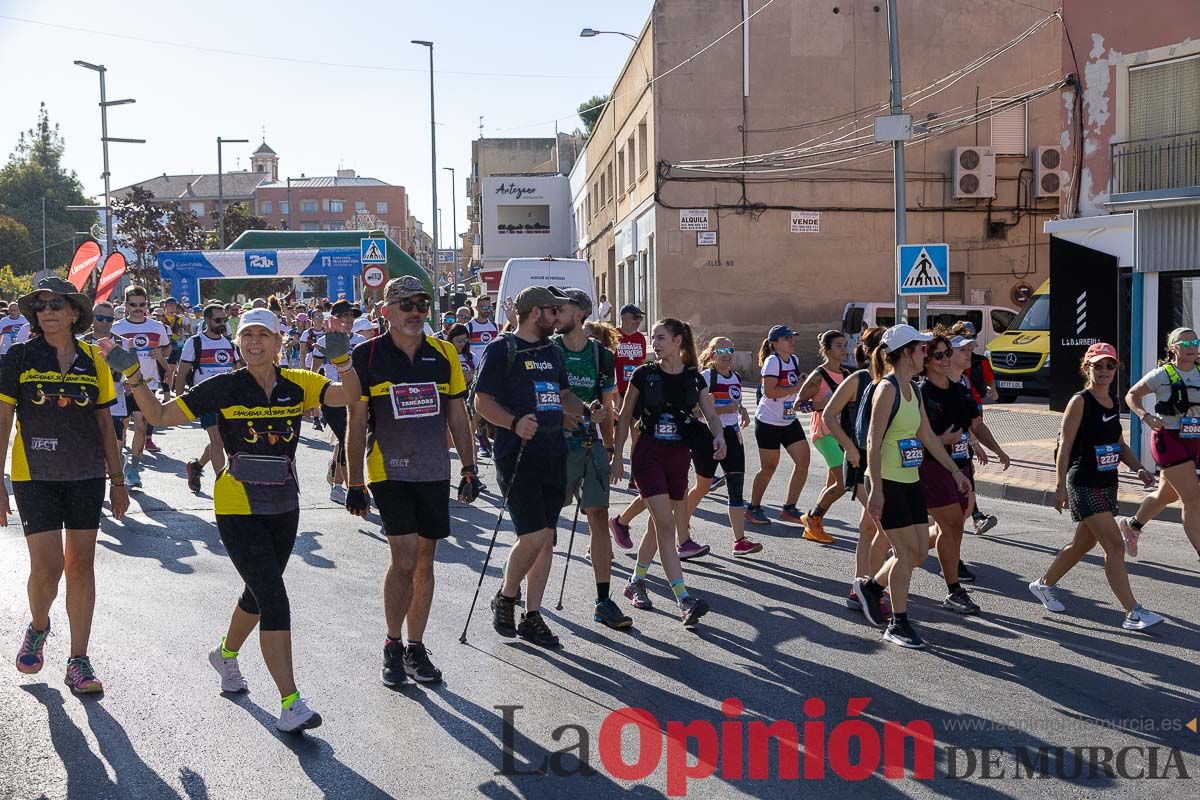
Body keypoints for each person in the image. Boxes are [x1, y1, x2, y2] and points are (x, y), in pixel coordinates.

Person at [101, 307, 361, 732]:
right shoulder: (222, 387)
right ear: (238, 344)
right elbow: (162, 416)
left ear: (280, 343)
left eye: (264, 334)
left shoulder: (300, 384)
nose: (255, 341)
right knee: (274, 598)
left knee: (259, 594)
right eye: (247, 335)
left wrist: (344, 362)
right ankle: (291, 702)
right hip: (236, 505)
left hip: (284, 504)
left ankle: (224, 655)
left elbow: (349, 396)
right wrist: (132, 374)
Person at [343, 276, 480, 686]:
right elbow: (356, 421)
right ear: (385, 311)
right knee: (403, 558)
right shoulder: (366, 356)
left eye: (422, 304)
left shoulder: (443, 354)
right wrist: (354, 482)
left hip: (433, 469)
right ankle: (391, 644)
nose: (416, 312)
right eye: (406, 305)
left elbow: (458, 415)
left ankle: (415, 648)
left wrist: (469, 468)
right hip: (389, 470)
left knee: (425, 560)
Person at [2, 277, 128, 694]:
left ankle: (79, 660)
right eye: (40, 305)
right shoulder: (18, 356)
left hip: (86, 473)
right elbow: (3, 421)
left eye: (57, 303)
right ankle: (39, 626)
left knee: (80, 565)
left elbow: (105, 422)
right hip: (33, 473)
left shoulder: (94, 359)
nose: (48, 310)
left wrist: (119, 479)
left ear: (75, 312)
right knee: (48, 568)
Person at [474, 286, 587, 648]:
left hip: (554, 451)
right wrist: (513, 423)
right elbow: (482, 402)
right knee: (533, 535)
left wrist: (584, 411)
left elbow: (564, 393)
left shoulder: (552, 352)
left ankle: (532, 615)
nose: (559, 318)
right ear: (536, 312)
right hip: (518, 454)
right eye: (554, 311)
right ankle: (506, 596)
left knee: (547, 540)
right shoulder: (502, 349)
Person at [1028, 343, 1163, 630]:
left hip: (1106, 482)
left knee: (1082, 544)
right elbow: (1063, 447)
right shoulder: (1080, 401)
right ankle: (1133, 613)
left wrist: (1139, 468)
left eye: (1109, 366)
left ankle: (1043, 584)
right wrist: (1059, 486)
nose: (1104, 371)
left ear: (1116, 369)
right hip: (1083, 481)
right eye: (1097, 365)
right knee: (1114, 546)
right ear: (1086, 367)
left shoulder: (1112, 401)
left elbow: (1119, 443)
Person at [854, 324, 971, 650]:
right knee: (906, 553)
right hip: (886, 482)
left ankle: (871, 589)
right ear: (906, 353)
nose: (926, 353)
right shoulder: (887, 389)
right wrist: (875, 488)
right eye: (921, 349)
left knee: (919, 551)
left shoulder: (913, 389)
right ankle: (898, 622)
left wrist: (954, 472)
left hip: (909, 480)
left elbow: (928, 438)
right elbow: (872, 442)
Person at [612, 318, 726, 627]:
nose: (655, 343)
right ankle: (683, 598)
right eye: (653, 338)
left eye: (661, 337)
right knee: (667, 525)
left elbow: (711, 415)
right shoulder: (644, 374)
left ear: (678, 341)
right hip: (648, 454)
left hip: (678, 456)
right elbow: (623, 418)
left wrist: (719, 436)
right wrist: (618, 457)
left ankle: (636, 581)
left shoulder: (694, 378)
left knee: (656, 524)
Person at [551, 289, 631, 629]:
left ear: (580, 313)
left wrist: (613, 451)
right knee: (543, 523)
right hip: (553, 446)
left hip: (591, 446)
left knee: (598, 517)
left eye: (562, 307)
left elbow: (608, 406)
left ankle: (603, 600)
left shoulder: (600, 355)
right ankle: (526, 598)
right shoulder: (548, 350)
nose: (555, 312)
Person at [920, 331, 1009, 614]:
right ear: (926, 360)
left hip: (961, 465)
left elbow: (976, 425)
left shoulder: (959, 388)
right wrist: (940, 441)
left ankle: (895, 561)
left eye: (948, 353)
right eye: (940, 355)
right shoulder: (921, 394)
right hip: (933, 468)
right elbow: (913, 435)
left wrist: (998, 449)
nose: (946, 359)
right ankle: (954, 590)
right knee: (952, 526)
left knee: (955, 524)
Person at [820, 327, 891, 612]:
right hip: (860, 463)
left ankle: (858, 586)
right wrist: (848, 448)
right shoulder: (858, 379)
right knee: (884, 527)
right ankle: (872, 588)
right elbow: (828, 415)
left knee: (867, 527)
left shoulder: (892, 381)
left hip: (886, 464)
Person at [1121, 327, 1200, 561]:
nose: (1192, 348)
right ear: (1173, 347)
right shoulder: (1161, 374)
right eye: (1185, 344)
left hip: (1194, 438)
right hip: (1168, 439)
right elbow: (1131, 395)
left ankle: (1132, 526)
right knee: (1193, 498)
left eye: (1195, 343)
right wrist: (1145, 416)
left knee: (1166, 495)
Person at [684, 336, 758, 556]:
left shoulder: (735, 377)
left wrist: (741, 410)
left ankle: (740, 541)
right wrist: (727, 410)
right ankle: (681, 526)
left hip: (732, 435)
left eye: (730, 350)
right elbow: (696, 411)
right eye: (721, 350)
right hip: (708, 435)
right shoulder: (706, 376)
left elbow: (734, 402)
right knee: (703, 486)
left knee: (736, 486)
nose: (726, 355)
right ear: (712, 354)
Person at [746, 325, 812, 528]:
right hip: (768, 422)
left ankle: (789, 508)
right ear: (774, 343)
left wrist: (803, 396)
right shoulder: (772, 361)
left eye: (792, 337)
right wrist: (797, 387)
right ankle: (753, 508)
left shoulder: (794, 359)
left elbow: (793, 389)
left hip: (789, 419)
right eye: (786, 338)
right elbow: (770, 392)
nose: (791, 341)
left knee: (803, 460)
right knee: (769, 467)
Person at [793, 330, 851, 543]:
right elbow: (797, 405)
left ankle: (814, 524)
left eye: (845, 344)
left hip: (841, 433)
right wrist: (822, 404)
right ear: (826, 350)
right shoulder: (818, 376)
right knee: (844, 481)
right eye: (839, 345)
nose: (844, 349)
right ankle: (812, 518)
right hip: (824, 433)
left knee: (833, 485)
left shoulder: (846, 375)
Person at [178, 304, 241, 493]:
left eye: (224, 320)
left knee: (220, 439)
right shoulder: (195, 343)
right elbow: (181, 374)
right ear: (207, 321)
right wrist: (179, 404)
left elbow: (237, 372)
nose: (222, 323)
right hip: (205, 398)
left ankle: (196, 466)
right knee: (217, 439)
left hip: (229, 399)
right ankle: (222, 485)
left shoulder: (230, 344)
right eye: (218, 320)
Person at [111, 285, 170, 488]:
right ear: (126, 305)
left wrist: (160, 353)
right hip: (122, 386)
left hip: (147, 384)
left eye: (142, 305)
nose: (138, 308)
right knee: (122, 427)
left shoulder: (156, 326)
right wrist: (119, 378)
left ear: (147, 305)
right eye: (133, 305)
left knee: (141, 426)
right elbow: (107, 357)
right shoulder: (116, 328)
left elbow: (167, 346)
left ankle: (134, 469)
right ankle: (118, 464)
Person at [312, 300, 368, 504]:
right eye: (344, 316)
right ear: (334, 319)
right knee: (347, 437)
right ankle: (343, 487)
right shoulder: (324, 341)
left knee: (344, 440)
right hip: (331, 397)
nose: (349, 319)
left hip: (356, 396)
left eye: (352, 316)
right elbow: (313, 372)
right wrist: (312, 404)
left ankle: (338, 479)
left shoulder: (361, 340)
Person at [953, 322, 1000, 534]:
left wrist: (998, 452)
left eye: (970, 347)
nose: (968, 353)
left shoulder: (966, 377)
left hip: (966, 431)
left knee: (966, 474)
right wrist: (973, 441)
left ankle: (976, 516)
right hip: (936, 457)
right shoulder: (934, 387)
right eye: (963, 349)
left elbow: (973, 424)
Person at [0, 301, 29, 365]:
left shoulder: (25, 320)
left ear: (19, 310)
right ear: (8, 311)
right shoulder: (3, 321)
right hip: (6, 350)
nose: (13, 312)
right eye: (11, 310)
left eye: (15, 310)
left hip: (22, 350)